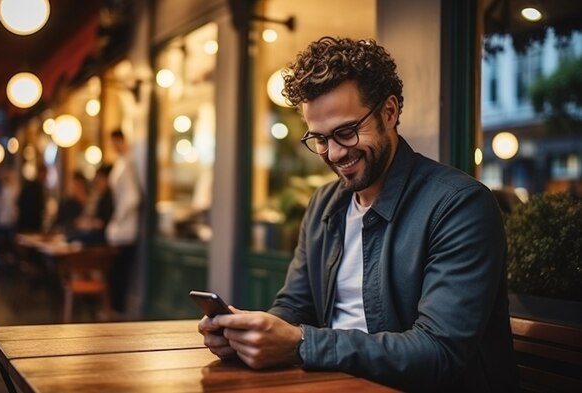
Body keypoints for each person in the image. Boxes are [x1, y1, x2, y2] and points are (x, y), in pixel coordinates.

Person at [198, 37, 518, 392]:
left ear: (390, 112)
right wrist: (252, 336)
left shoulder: (460, 205)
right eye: (319, 139)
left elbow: (438, 353)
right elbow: (294, 305)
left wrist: (301, 344)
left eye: (346, 133)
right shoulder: (324, 204)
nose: (334, 153)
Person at [106, 130, 142, 316]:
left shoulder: (128, 163)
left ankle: (117, 310)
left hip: (125, 229)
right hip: (122, 228)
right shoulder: (123, 162)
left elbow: (132, 197)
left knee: (120, 273)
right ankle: (115, 308)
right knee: (117, 272)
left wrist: (118, 217)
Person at [71, 164, 114, 244]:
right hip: (99, 235)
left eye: (99, 180)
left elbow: (104, 222)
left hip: (103, 237)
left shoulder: (109, 197)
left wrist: (88, 224)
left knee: (74, 238)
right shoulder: (102, 197)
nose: (96, 183)